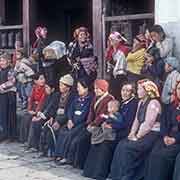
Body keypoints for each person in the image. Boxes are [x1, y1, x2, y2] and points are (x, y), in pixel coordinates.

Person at [83, 82, 138, 180]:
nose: (124, 93)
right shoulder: (122, 103)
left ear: (132, 92)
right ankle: (90, 172)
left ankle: (100, 174)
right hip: (115, 129)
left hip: (124, 132)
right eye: (123, 90)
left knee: (105, 143)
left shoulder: (133, 104)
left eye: (127, 90)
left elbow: (127, 123)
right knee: (96, 140)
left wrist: (112, 126)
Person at [110, 79, 161, 180]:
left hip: (152, 134)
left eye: (139, 89)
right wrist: (132, 133)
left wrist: (137, 136)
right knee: (122, 144)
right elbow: (136, 120)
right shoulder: (141, 102)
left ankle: (128, 177)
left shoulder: (153, 103)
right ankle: (117, 175)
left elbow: (148, 124)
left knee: (129, 148)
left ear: (147, 90)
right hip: (142, 132)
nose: (137, 91)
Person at [145, 81, 180, 180]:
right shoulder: (171, 106)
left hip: (178, 141)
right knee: (154, 153)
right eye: (179, 89)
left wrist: (175, 139)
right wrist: (165, 136)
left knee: (162, 156)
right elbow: (164, 124)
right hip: (166, 138)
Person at [54, 78, 93, 165]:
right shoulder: (76, 98)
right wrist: (70, 119)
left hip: (81, 123)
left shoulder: (90, 99)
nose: (77, 89)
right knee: (62, 131)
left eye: (79, 87)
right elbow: (70, 110)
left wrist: (75, 122)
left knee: (70, 134)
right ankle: (58, 154)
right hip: (72, 121)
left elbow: (85, 113)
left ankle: (66, 157)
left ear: (86, 88)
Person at [38, 74, 75, 156]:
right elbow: (54, 108)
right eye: (60, 84)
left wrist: (59, 121)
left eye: (62, 85)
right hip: (56, 116)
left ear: (68, 87)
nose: (60, 87)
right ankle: (44, 150)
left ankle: (55, 152)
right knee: (46, 128)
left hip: (64, 119)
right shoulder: (58, 95)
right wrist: (52, 117)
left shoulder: (72, 97)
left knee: (56, 130)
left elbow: (69, 111)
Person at [27, 82, 59, 151]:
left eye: (47, 88)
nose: (46, 89)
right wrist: (38, 114)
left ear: (52, 89)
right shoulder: (47, 96)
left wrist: (41, 116)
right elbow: (42, 106)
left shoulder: (55, 96)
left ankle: (37, 147)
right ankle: (32, 145)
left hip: (49, 117)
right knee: (33, 121)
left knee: (37, 123)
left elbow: (51, 108)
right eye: (45, 87)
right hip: (43, 115)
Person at [19, 73, 47, 144]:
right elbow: (31, 99)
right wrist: (29, 110)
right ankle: (24, 139)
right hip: (34, 107)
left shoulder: (45, 89)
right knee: (24, 117)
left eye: (43, 78)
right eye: (41, 79)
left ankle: (31, 142)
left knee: (30, 119)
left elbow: (42, 102)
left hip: (40, 109)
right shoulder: (34, 87)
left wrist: (36, 112)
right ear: (35, 81)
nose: (43, 80)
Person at [105, 31, 129, 99]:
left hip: (122, 75)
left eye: (112, 39)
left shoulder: (124, 49)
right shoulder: (110, 50)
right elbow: (109, 63)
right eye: (109, 40)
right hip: (113, 76)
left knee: (120, 94)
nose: (110, 41)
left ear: (117, 40)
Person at [0, 53, 16, 141]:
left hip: (9, 95)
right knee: (2, 115)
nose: (1, 62)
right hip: (2, 95)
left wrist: (2, 86)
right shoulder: (1, 70)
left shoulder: (11, 70)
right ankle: (3, 133)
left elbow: (12, 82)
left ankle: (11, 135)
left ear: (8, 61)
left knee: (10, 115)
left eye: (3, 60)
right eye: (0, 60)